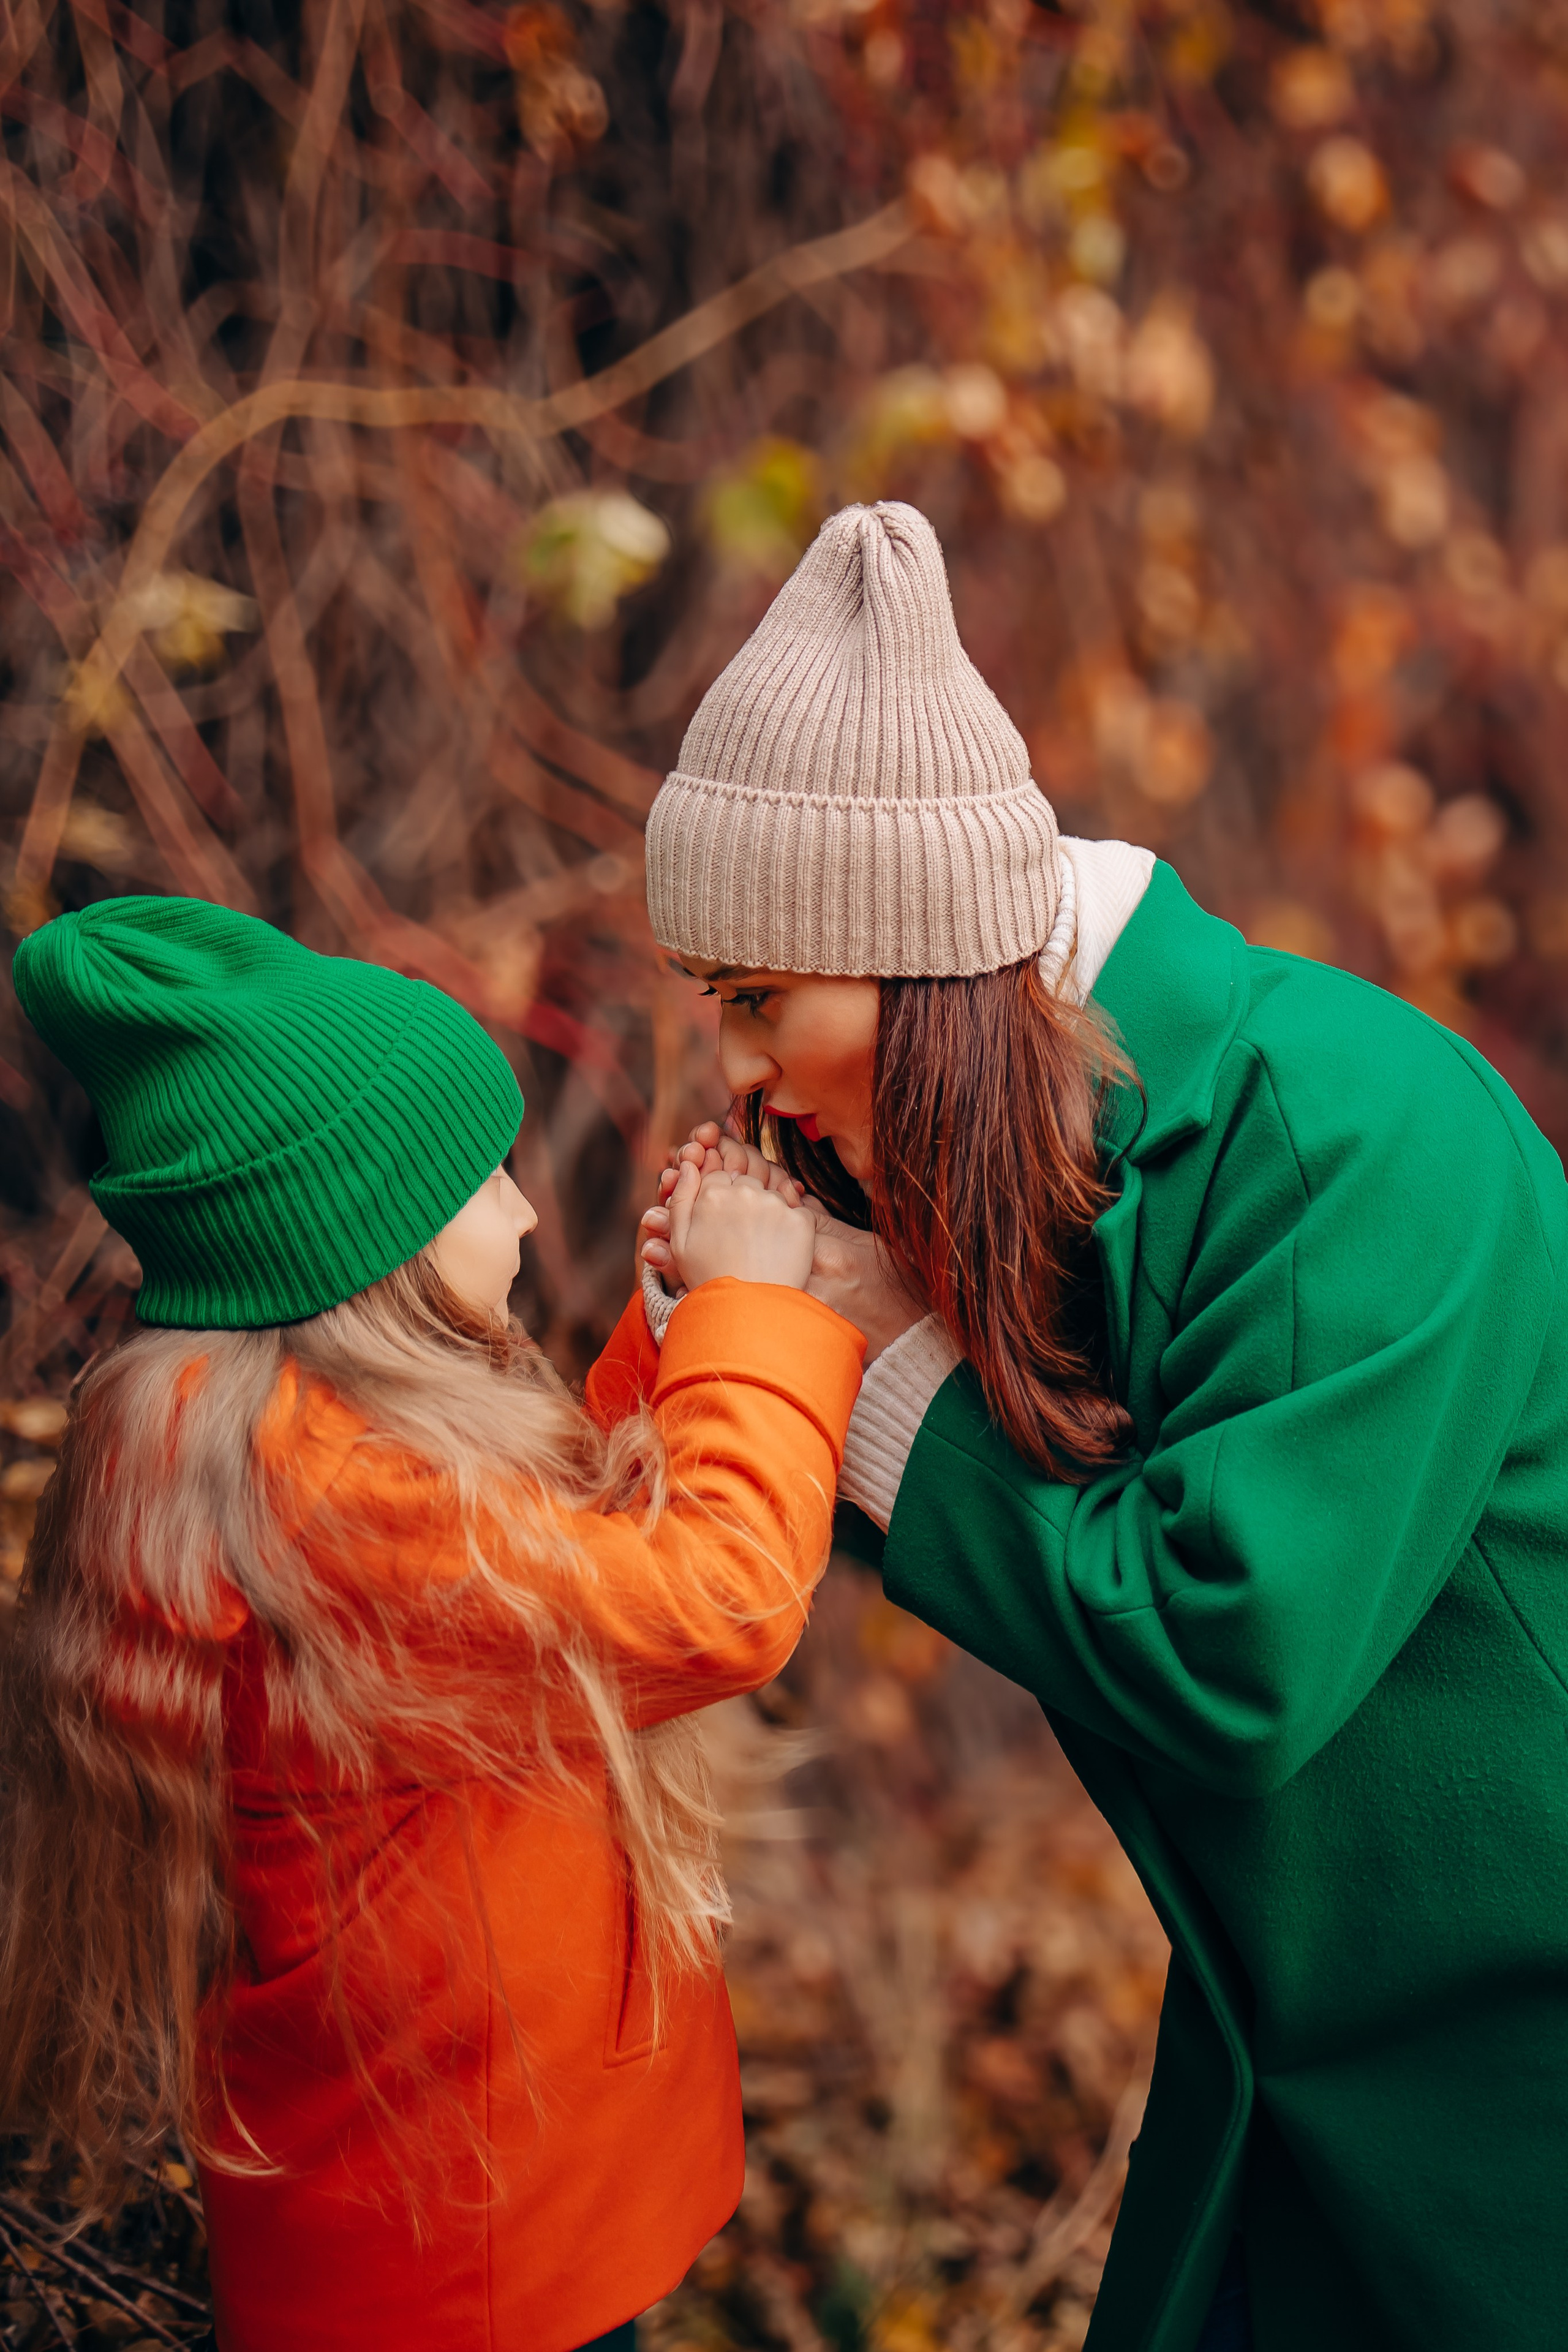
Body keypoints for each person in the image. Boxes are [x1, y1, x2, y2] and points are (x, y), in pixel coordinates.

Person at [638, 500, 1568, 2352]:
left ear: (917, 966)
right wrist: (743, 1341)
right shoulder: (1015, 1142)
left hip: (1508, 2045)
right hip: (1279, 2018)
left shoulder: (1349, 1136)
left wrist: (873, 1374)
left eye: (760, 1002)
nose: (736, 1065)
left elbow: (1237, 1649)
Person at [0, 895, 863, 2352]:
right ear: (360, 1236)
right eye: (480, 1183)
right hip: (479, 2262)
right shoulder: (329, 1502)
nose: (525, 1211)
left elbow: (540, 1595)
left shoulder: (282, 1443)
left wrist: (679, 1321)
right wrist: (754, 1314)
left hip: (443, 2222)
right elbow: (712, 1603)